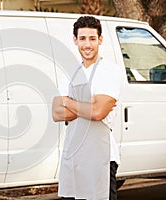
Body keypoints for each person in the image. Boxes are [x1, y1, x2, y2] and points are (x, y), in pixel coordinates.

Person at [52, 16, 123, 200]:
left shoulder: (109, 71)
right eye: (82, 38)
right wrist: (87, 104)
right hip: (73, 157)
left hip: (100, 159)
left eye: (92, 38)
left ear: (100, 39)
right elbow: (56, 112)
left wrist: (68, 101)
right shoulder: (70, 73)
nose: (87, 44)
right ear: (75, 40)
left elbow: (98, 112)